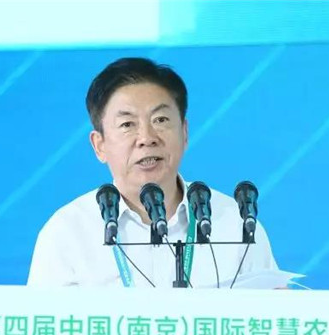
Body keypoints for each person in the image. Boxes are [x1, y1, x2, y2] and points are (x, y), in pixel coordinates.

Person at [27, 57, 279, 287]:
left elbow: (272, 315)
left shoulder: (235, 224)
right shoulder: (68, 232)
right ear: (99, 145)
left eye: (160, 120)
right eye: (127, 124)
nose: (146, 138)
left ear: (184, 132)